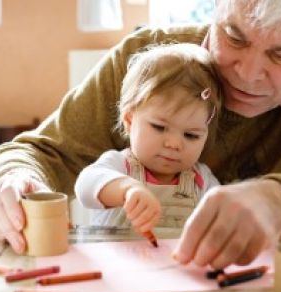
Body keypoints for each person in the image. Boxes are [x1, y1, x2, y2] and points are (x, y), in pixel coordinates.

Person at [0, 0, 281, 270]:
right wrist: (12, 181)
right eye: (234, 36)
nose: (249, 73)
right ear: (215, 9)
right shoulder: (147, 61)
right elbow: (41, 151)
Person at [74, 43, 222, 235]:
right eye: (159, 127)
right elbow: (85, 187)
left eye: (191, 135)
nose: (174, 144)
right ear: (129, 120)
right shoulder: (120, 165)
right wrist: (127, 189)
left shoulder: (201, 180)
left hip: (175, 263)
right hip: (118, 264)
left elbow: (223, 213)